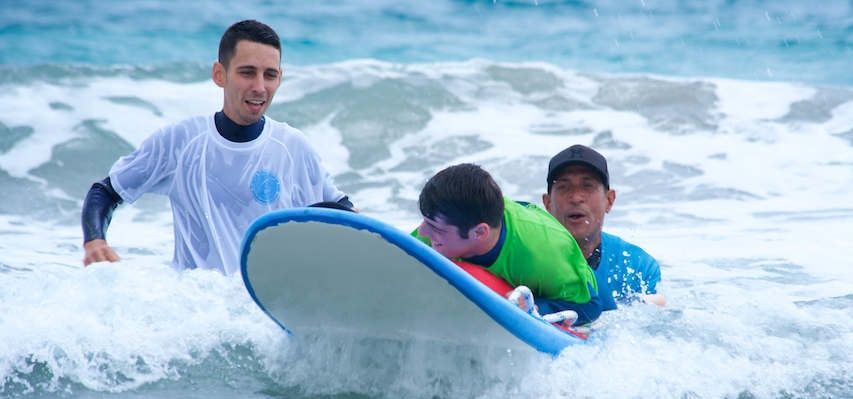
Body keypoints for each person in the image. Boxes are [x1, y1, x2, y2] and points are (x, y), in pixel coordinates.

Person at [81, 20, 352, 274]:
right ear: (219, 74)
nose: (259, 87)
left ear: (280, 78)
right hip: (200, 310)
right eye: (247, 73)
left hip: (265, 308)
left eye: (269, 75)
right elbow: (105, 192)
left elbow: (341, 210)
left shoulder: (293, 147)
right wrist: (95, 241)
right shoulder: (181, 141)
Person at [414, 163, 602, 326]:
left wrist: (538, 305)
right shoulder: (444, 222)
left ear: (479, 232)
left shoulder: (539, 255)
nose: (422, 232)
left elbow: (592, 305)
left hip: (582, 286)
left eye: (436, 229)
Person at [542, 145, 665, 309]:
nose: (576, 198)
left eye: (588, 186)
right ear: (548, 204)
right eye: (564, 187)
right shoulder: (528, 259)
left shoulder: (637, 267)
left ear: (609, 201)